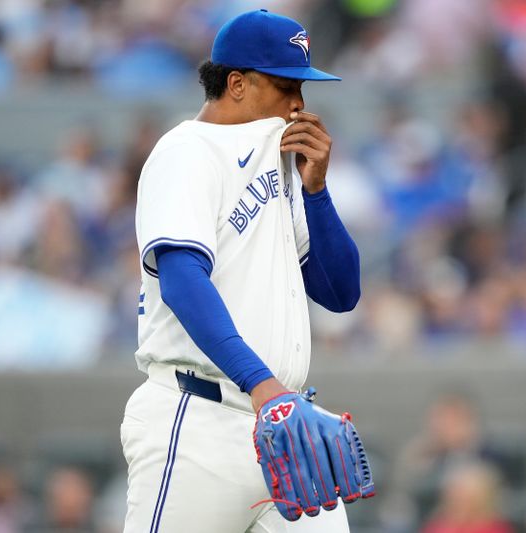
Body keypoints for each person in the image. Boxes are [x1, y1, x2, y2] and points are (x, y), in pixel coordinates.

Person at [120, 9, 365, 533]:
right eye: (285, 86)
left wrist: (317, 191)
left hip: (282, 425)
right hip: (198, 420)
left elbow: (341, 291)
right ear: (237, 83)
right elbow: (184, 281)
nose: (299, 103)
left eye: (302, 86)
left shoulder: (274, 160)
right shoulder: (185, 152)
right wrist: (263, 387)